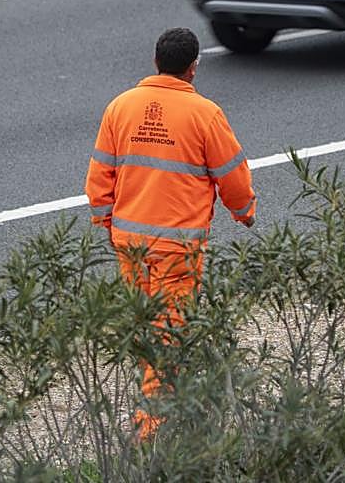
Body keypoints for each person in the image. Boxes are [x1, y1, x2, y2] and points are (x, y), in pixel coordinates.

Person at [85, 27, 257, 441]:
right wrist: (244, 212)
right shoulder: (205, 115)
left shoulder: (120, 107)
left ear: (155, 60)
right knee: (167, 334)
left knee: (145, 327)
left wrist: (107, 224)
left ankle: (166, 406)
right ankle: (153, 432)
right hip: (175, 248)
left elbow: (99, 177)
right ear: (193, 68)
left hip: (129, 245)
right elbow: (231, 175)